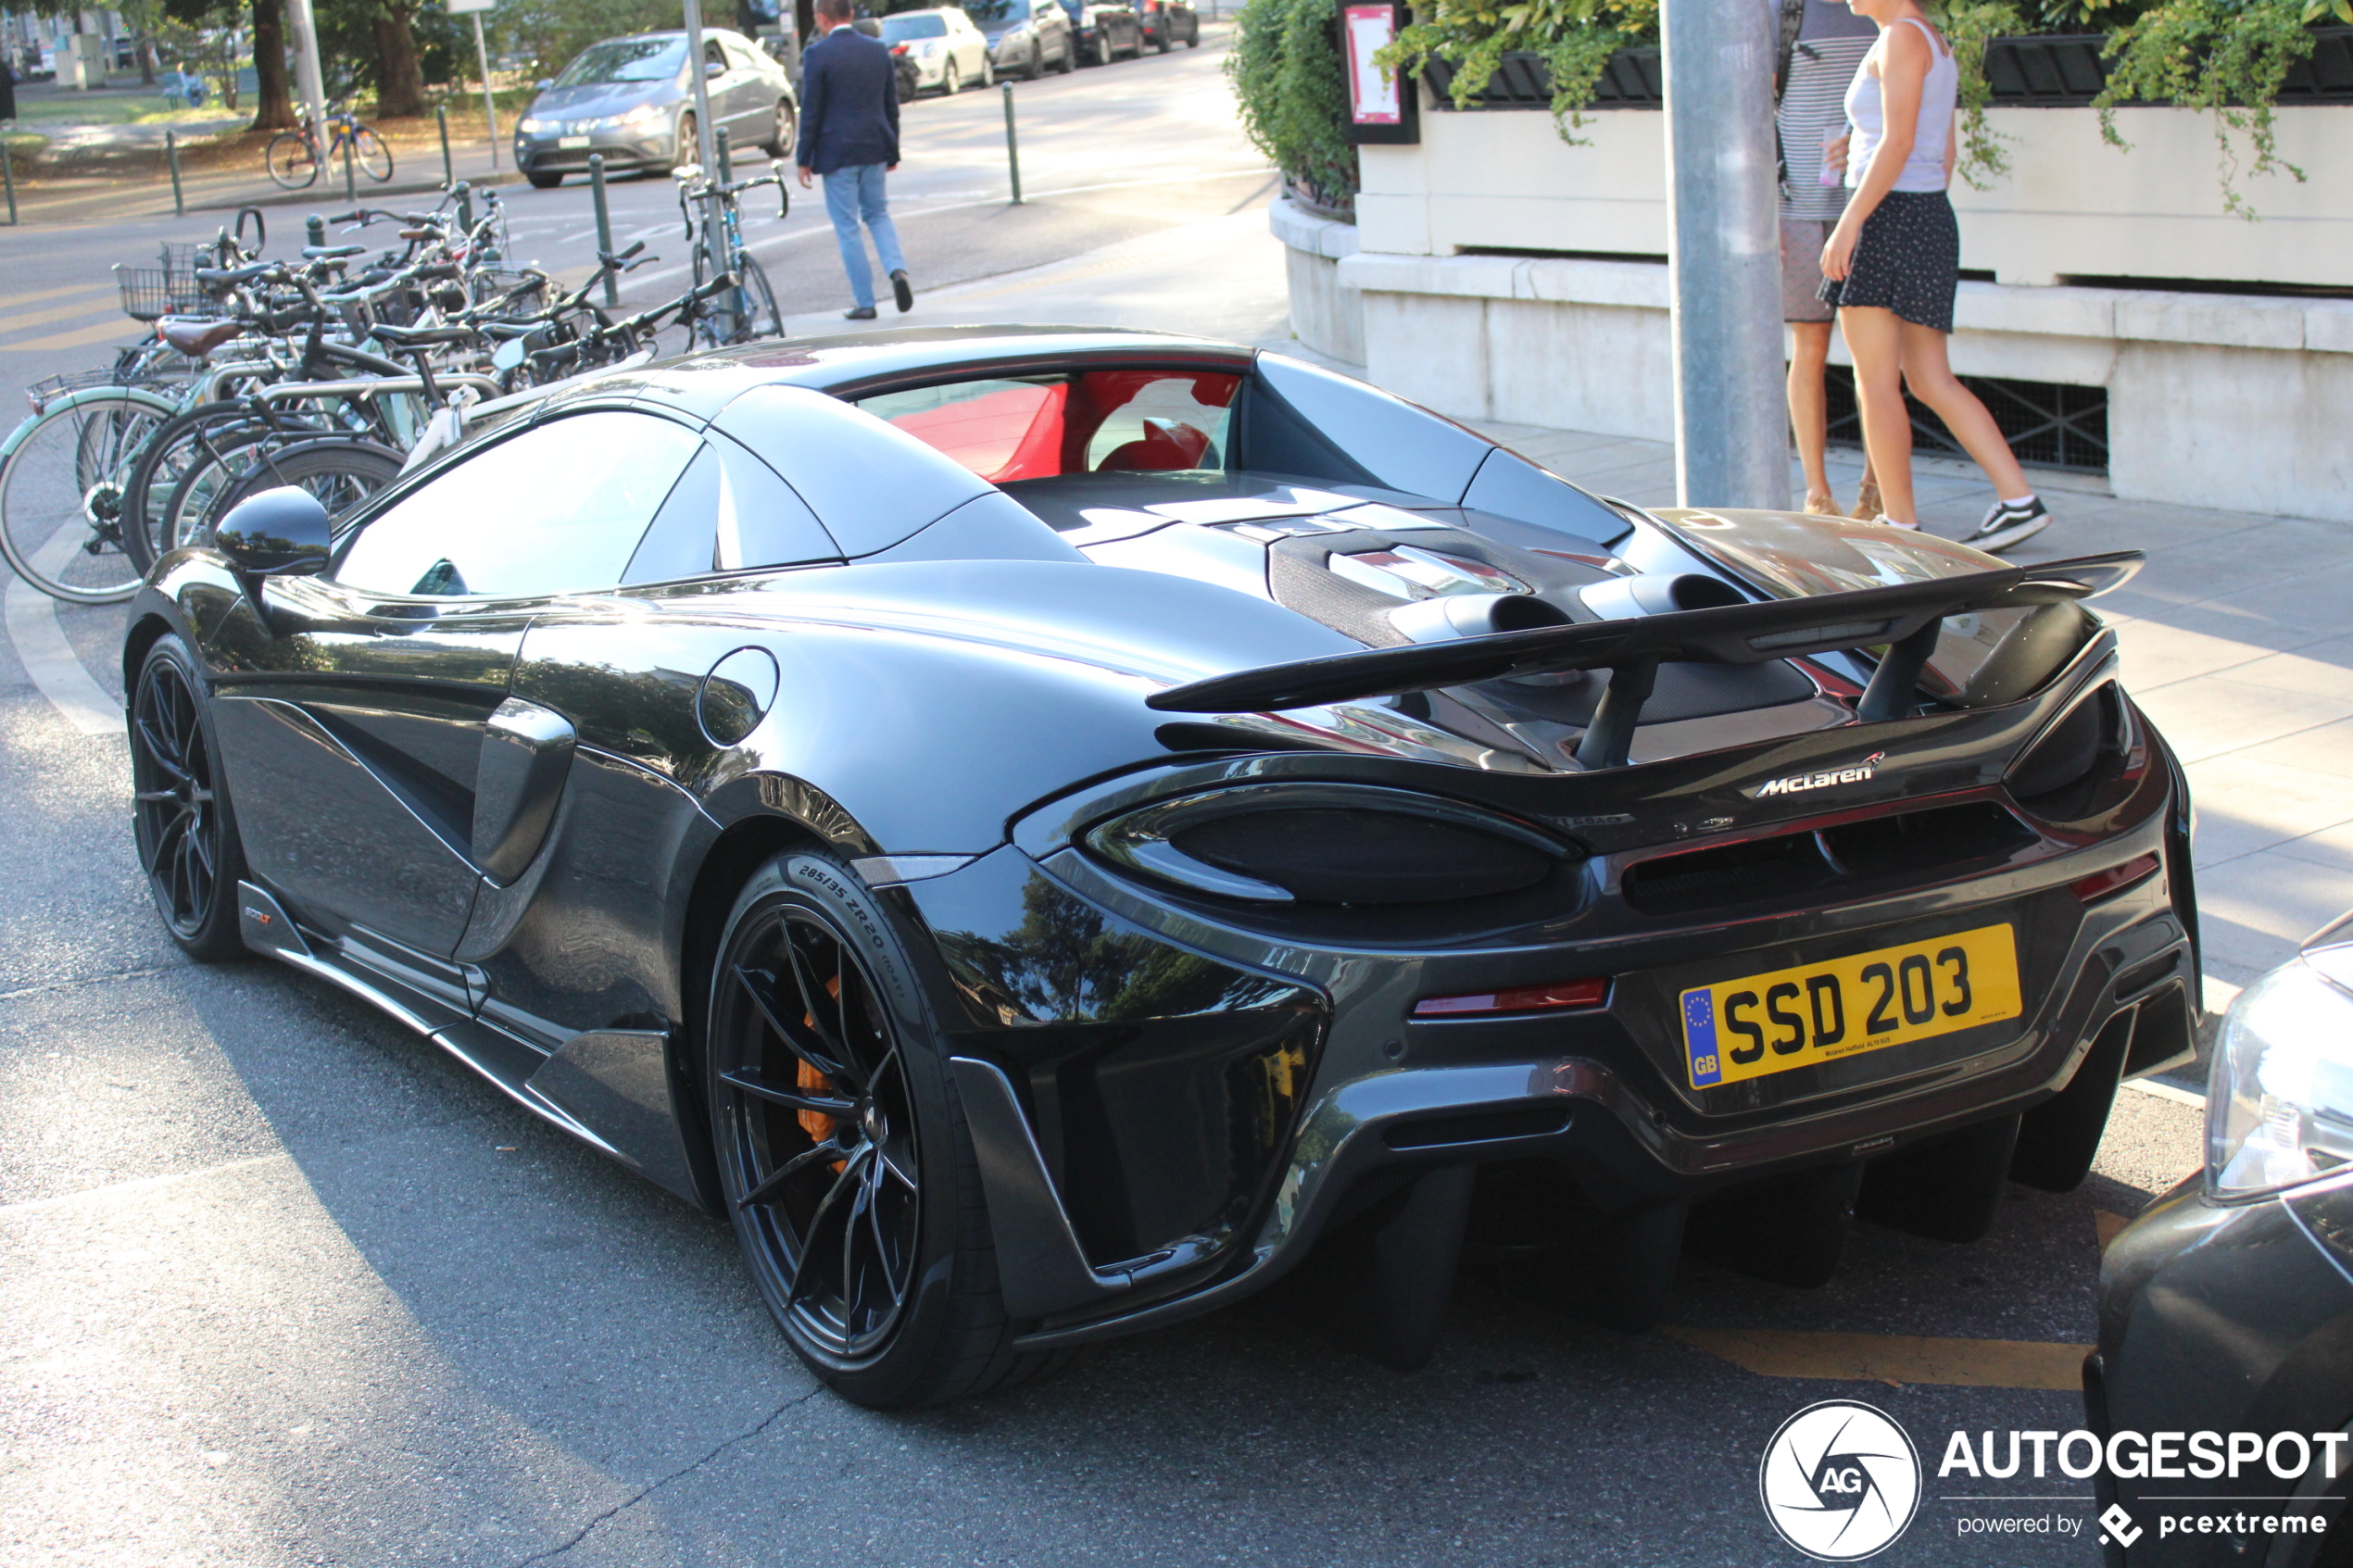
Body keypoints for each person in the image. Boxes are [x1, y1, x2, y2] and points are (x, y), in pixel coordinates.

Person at [1818, 0, 2050, 552]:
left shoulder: (1900, 37)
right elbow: (1940, 151)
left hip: (1884, 214)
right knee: (1929, 378)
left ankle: (1900, 525)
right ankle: (2020, 502)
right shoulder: (1931, 41)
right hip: (1924, 213)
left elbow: (1898, 142)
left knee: (1876, 382)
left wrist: (1850, 223)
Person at [1775, 0, 1878, 518]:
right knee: (1809, 343)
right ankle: (1817, 493)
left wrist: (1860, 140)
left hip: (1869, 207)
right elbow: (1751, 109)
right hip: (1796, 207)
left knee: (1875, 353)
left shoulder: (1884, 11)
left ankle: (1874, 486)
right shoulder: (1783, 9)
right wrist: (1764, 213)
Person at [796, 0, 915, 321]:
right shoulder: (878, 50)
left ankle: (865, 302)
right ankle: (897, 271)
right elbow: (891, 105)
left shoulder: (817, 55)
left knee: (847, 227)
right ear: (850, 14)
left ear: (822, 18)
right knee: (878, 213)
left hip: (837, 153)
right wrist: (893, 150)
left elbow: (811, 111)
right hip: (875, 146)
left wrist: (803, 157)